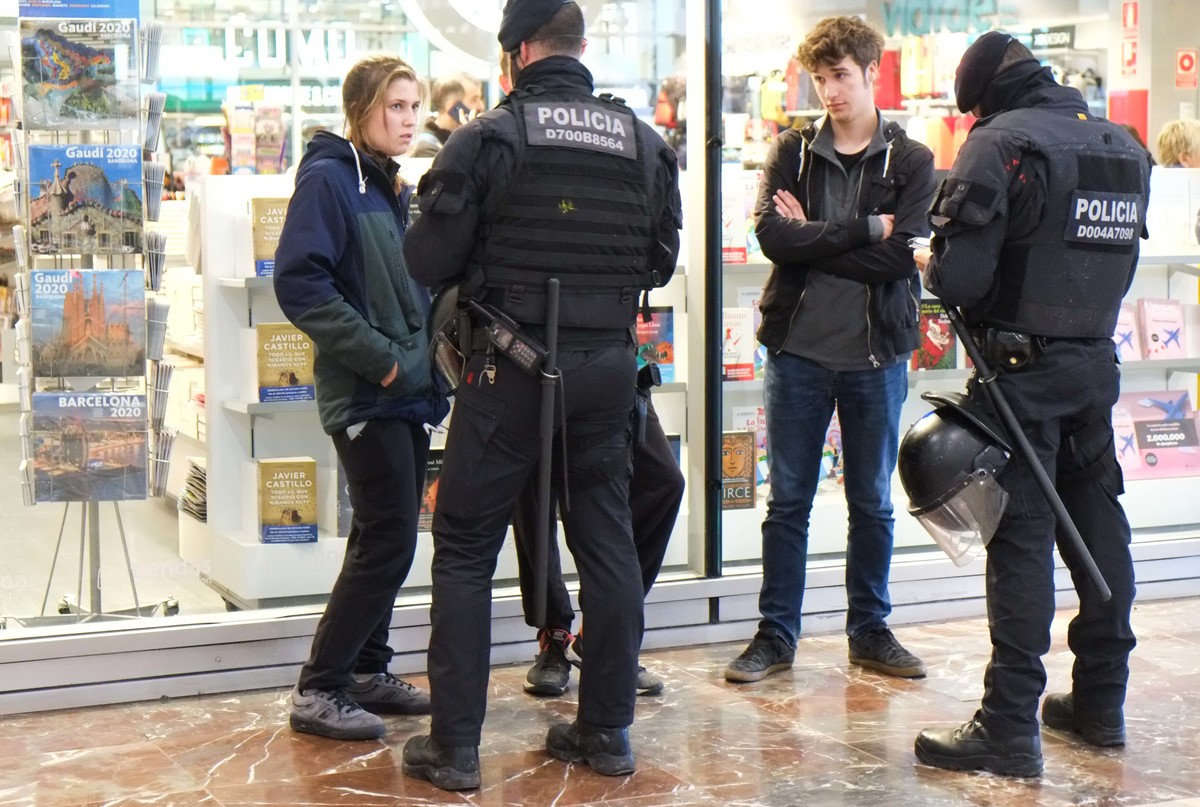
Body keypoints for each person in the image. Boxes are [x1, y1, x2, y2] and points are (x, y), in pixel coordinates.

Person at [399, 0, 681, 790]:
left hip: (508, 372)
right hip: (605, 372)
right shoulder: (644, 144)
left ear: (518, 53)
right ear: (580, 49)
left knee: (463, 547)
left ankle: (454, 749)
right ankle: (607, 733)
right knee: (608, 543)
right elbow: (660, 262)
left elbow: (427, 259)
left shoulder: (488, 139)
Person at [911, 31, 1150, 777]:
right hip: (1093, 363)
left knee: (1021, 541)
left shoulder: (1001, 142)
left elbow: (960, 280)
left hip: (1020, 375)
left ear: (981, 98)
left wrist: (930, 258)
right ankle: (1101, 703)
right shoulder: (1120, 143)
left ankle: (1009, 724)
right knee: (1098, 523)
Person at [723, 16, 936, 685]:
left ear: (874, 72)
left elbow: (904, 259)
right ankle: (775, 633)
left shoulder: (911, 159)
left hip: (876, 356)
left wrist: (815, 237)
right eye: (820, 78)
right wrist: (862, 230)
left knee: (871, 499)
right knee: (788, 500)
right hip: (798, 352)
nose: (830, 91)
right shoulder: (793, 150)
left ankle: (869, 629)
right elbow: (772, 239)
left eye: (841, 75)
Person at [273, 55, 450, 742]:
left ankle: (368, 667)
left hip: (405, 390)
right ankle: (320, 684)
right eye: (394, 107)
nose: (407, 120)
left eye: (413, 107)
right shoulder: (329, 179)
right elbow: (302, 283)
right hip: (368, 392)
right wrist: (380, 362)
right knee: (387, 540)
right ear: (361, 109)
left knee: (388, 533)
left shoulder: (386, 185)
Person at [514, 379, 684, 698]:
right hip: (538, 365)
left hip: (613, 365)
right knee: (534, 490)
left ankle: (598, 628)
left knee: (665, 482)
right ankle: (553, 633)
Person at [411, 73, 485, 157]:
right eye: (474, 100)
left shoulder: (456, 139)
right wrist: (469, 140)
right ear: (453, 107)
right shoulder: (426, 147)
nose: (481, 106)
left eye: (480, 99)